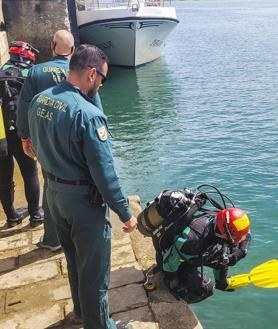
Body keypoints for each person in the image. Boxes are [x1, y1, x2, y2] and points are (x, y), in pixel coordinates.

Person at [28, 44, 137, 329]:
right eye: (102, 78)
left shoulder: (39, 100)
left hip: (53, 195)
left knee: (74, 260)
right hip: (83, 205)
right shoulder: (88, 115)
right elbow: (104, 174)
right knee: (95, 275)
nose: (101, 84)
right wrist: (125, 212)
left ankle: (80, 312)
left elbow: (35, 149)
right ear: (91, 74)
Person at [17, 30, 103, 251]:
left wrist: (26, 138)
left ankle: (53, 238)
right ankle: (79, 234)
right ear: (73, 51)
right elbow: (97, 108)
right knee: (79, 186)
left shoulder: (36, 72)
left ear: (52, 45)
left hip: (45, 137)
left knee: (52, 183)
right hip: (76, 139)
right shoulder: (81, 72)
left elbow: (24, 107)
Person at [137, 187, 251, 303]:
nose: (239, 241)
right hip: (171, 258)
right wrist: (173, 282)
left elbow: (246, 236)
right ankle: (179, 296)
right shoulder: (191, 240)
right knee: (207, 289)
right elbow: (169, 262)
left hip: (194, 252)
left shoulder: (219, 220)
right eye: (236, 239)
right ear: (226, 233)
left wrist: (239, 253)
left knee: (221, 259)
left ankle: (221, 283)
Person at [0, 41, 43, 228]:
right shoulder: (29, 75)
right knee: (30, 173)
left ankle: (11, 216)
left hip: (1, 135)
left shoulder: (1, 71)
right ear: (28, 58)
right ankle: (35, 215)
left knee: (3, 178)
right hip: (20, 132)